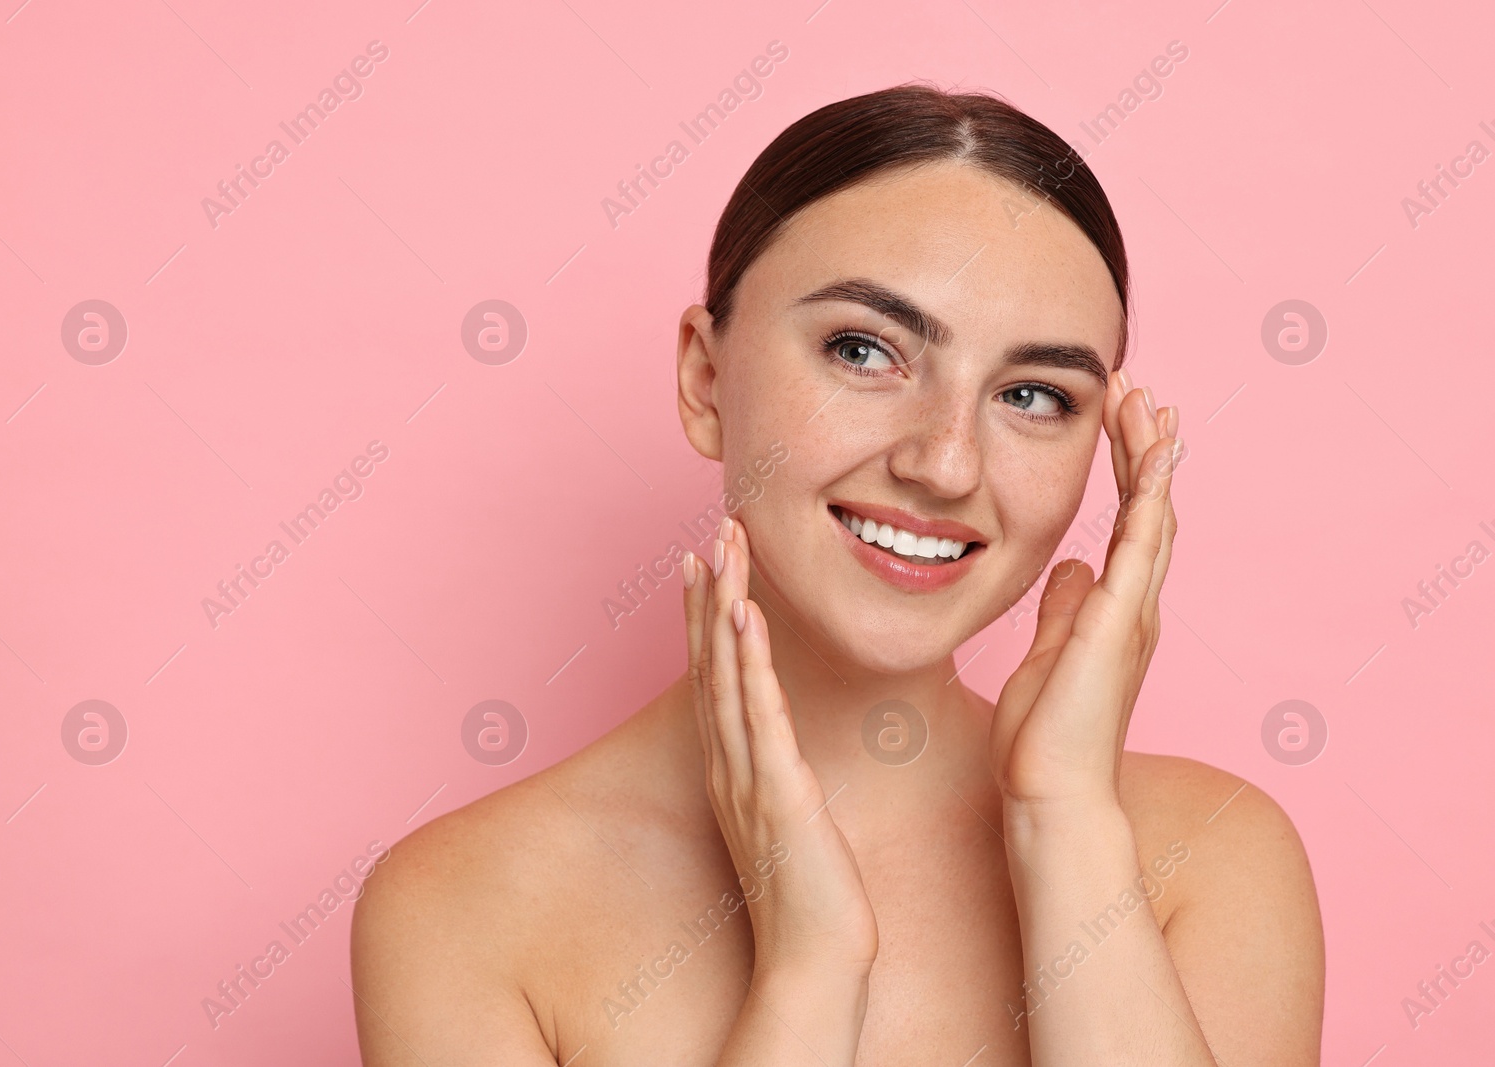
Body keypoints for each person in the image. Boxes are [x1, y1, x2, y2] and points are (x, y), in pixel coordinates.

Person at [349, 84, 1324, 1065]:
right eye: (864, 350)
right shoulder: (464, 906)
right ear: (705, 379)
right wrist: (809, 973)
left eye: (1032, 393)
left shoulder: (1212, 860)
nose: (945, 463)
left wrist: (1064, 825)